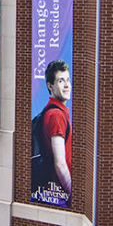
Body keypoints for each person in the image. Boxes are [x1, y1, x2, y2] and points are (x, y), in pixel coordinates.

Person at [42, 59, 72, 198]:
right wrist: (72, 193)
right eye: (60, 81)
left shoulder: (53, 111)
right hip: (60, 194)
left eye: (68, 79)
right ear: (50, 86)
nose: (66, 85)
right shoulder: (56, 115)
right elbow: (60, 164)